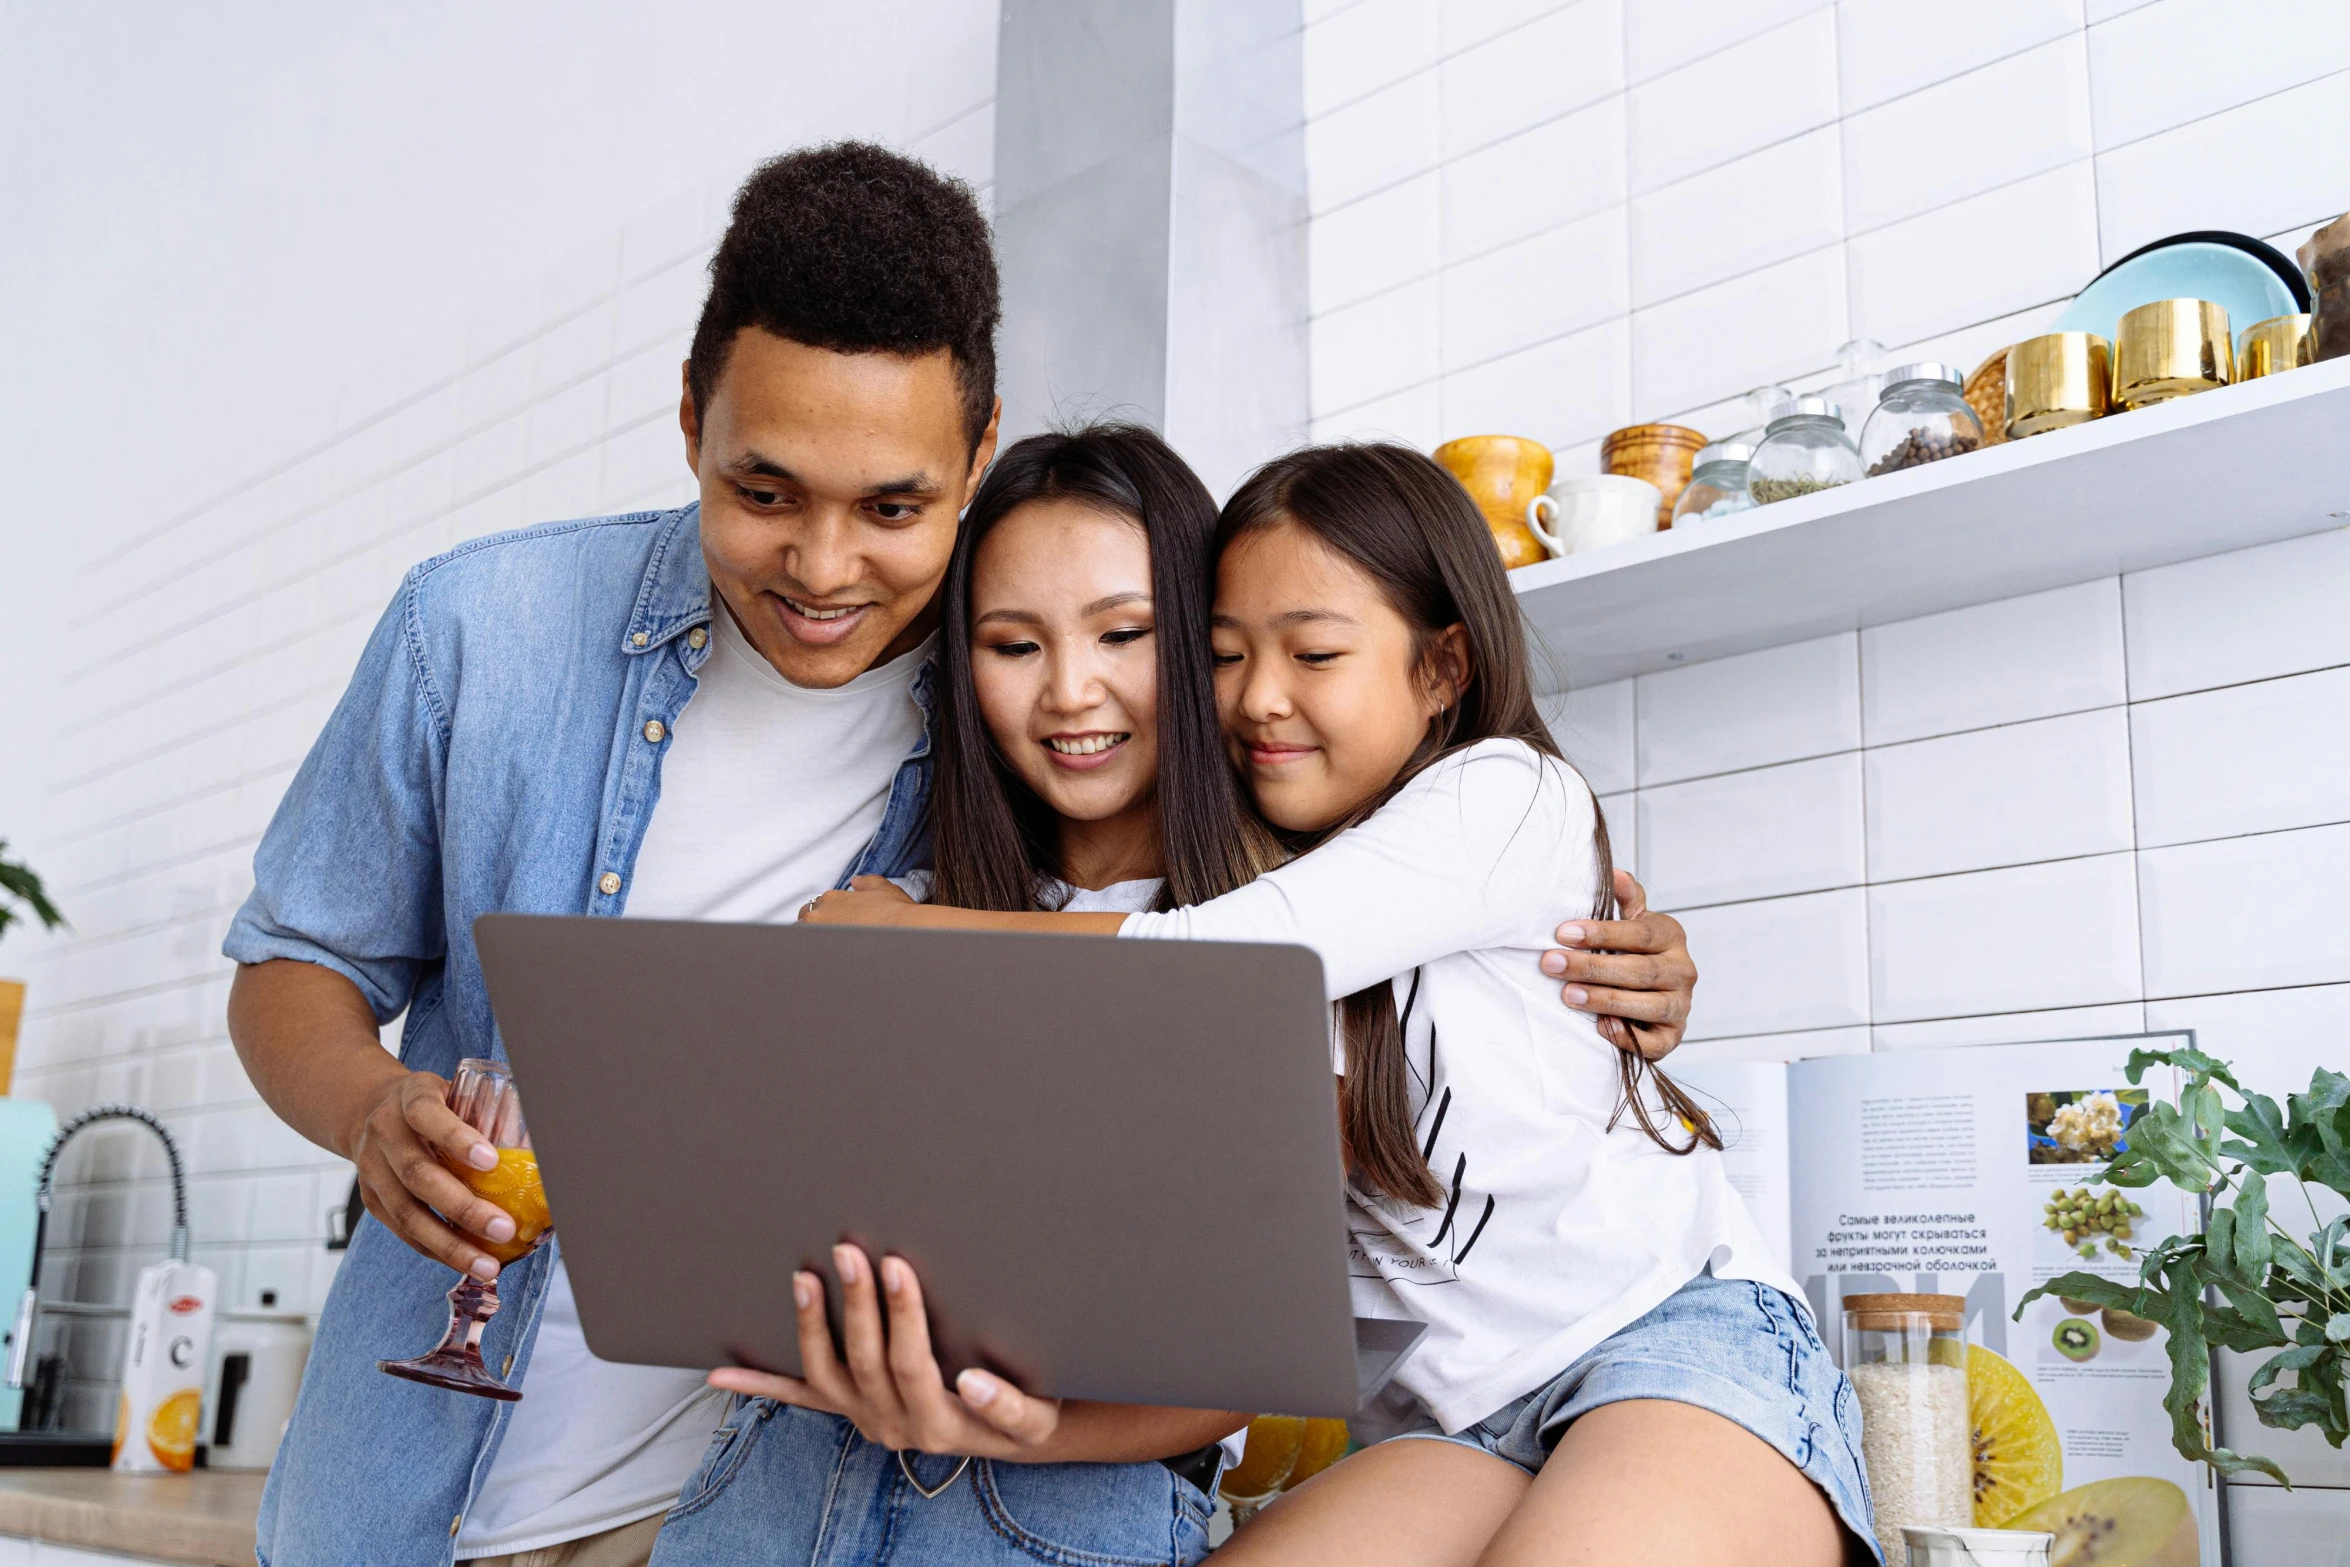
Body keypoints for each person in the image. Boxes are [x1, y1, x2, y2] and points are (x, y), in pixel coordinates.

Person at [220, 142, 1702, 1567]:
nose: (821, 566)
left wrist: (1601, 953)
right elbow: (294, 961)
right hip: (414, 1481)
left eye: (893, 508)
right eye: (762, 491)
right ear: (689, 418)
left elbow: (1305, 889)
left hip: (749, 1484)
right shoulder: (482, 631)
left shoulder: (1025, 732)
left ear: (973, 455)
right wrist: (368, 1107)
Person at [801, 444, 1876, 1566]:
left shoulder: (1503, 794)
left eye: (1312, 651)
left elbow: (1220, 959)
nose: (1260, 696)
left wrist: (905, 935)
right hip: (1454, 1421)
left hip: (1666, 1335)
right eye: (1223, 657)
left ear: (1443, 666)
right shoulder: (1278, 878)